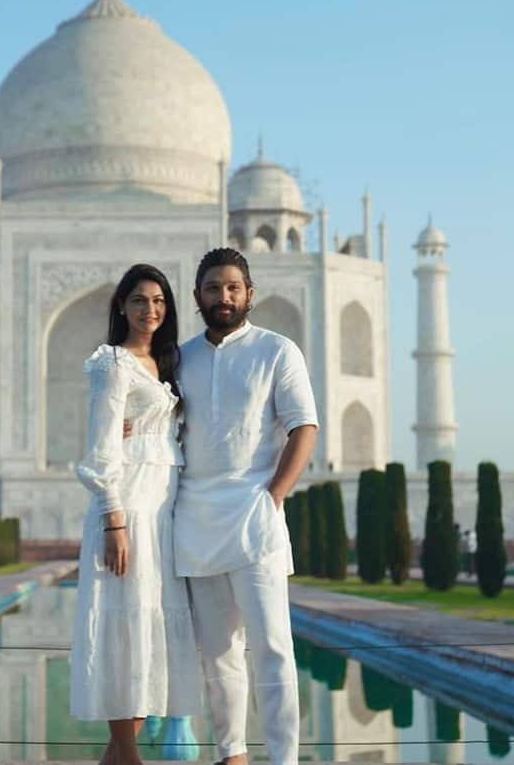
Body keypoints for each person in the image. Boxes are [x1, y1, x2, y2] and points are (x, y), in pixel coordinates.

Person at [174, 248, 319, 765]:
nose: (224, 297)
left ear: (250, 294)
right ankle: (231, 753)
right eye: (213, 288)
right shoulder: (180, 357)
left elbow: (304, 427)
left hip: (253, 514)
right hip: (195, 518)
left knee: (273, 647)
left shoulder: (277, 351)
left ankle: (284, 759)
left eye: (233, 287)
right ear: (197, 297)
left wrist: (275, 494)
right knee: (218, 653)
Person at [70, 264, 201, 765]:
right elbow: (101, 447)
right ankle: (129, 757)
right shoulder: (113, 363)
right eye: (141, 300)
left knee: (151, 636)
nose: (151, 310)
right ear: (121, 305)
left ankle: (117, 757)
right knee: (125, 630)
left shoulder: (166, 365)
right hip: (127, 509)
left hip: (163, 507)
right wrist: (113, 519)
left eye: (160, 301)